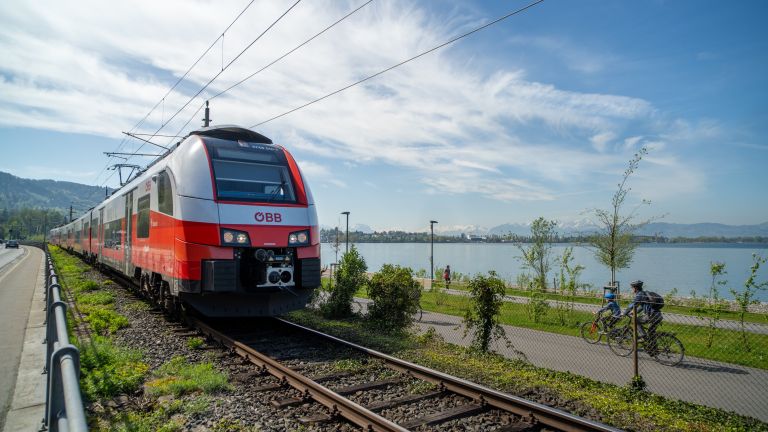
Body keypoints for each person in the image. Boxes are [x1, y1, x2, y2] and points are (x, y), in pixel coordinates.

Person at [623, 280, 663, 353]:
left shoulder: (639, 295)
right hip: (658, 315)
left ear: (635, 288)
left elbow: (633, 304)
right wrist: (634, 312)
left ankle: (643, 336)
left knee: (635, 320)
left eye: (632, 288)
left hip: (651, 316)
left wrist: (625, 313)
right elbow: (642, 306)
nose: (632, 289)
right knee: (651, 333)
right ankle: (653, 349)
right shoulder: (644, 294)